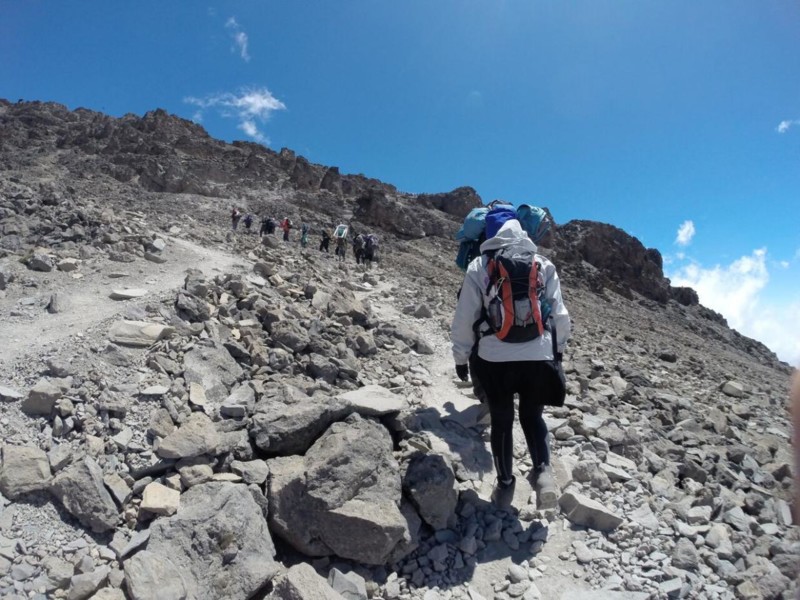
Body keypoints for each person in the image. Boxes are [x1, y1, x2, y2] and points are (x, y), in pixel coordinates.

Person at [450, 210, 570, 508]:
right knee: (532, 415)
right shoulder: (543, 263)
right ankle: (543, 474)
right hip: (538, 355)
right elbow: (560, 315)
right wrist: (556, 352)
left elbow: (464, 318)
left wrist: (461, 358)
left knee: (502, 419)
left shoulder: (480, 264)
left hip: (494, 358)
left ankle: (505, 486)